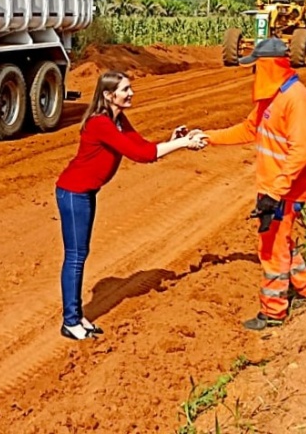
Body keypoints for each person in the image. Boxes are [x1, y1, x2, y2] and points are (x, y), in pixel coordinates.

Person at [54, 70, 207, 340]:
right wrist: (184, 144)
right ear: (108, 95)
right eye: (125, 89)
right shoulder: (100, 123)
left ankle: (76, 316)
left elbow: (142, 145)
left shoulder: (118, 120)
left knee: (80, 253)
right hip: (73, 193)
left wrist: (173, 141)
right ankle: (71, 321)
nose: (131, 93)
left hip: (84, 193)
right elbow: (140, 155)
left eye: (129, 88)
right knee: (76, 256)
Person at [201, 37, 306, 331]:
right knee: (281, 243)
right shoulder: (271, 96)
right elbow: (248, 129)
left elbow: (301, 151)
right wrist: (206, 137)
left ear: (269, 66)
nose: (254, 73)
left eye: (256, 67)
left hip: (284, 192)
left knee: (271, 250)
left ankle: (273, 312)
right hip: (272, 188)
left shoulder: (296, 99)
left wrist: (275, 192)